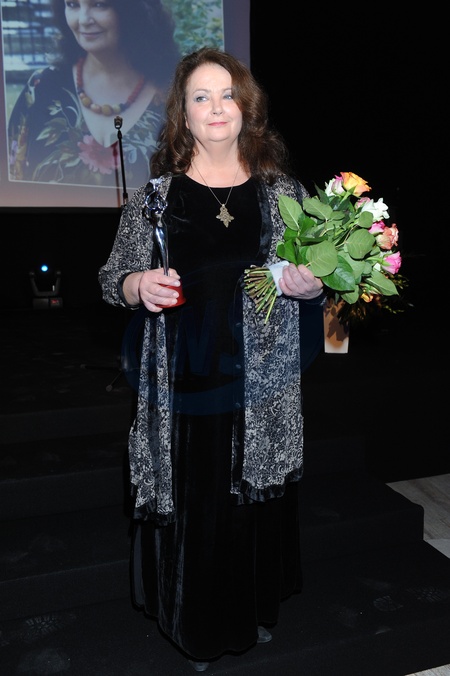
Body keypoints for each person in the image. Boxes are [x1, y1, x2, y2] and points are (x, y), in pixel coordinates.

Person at [98, 46, 325, 672]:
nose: (217, 107)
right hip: (185, 381)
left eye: (228, 94)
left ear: (246, 108)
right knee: (199, 507)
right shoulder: (155, 199)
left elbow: (308, 282)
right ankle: (197, 627)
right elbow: (111, 278)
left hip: (261, 381)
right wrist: (137, 285)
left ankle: (247, 610)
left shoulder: (282, 194)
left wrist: (311, 285)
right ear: (184, 114)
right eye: (202, 96)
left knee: (252, 502)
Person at [8, 0, 180, 188]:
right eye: (72, 4)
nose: (83, 20)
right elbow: (12, 184)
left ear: (134, 9)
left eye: (99, 5)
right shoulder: (41, 87)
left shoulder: (177, 93)